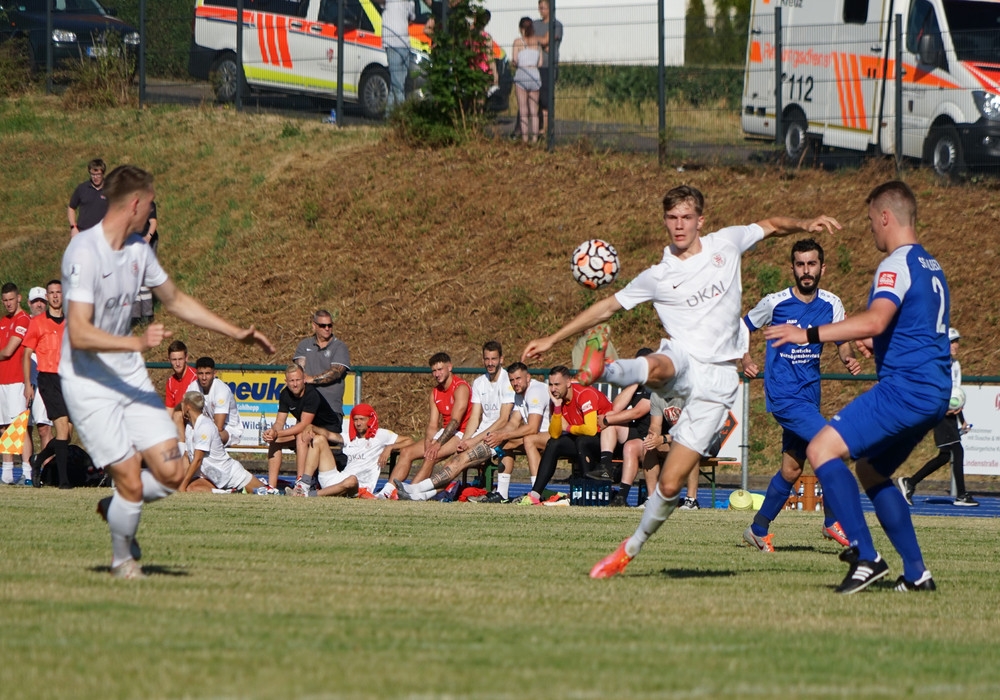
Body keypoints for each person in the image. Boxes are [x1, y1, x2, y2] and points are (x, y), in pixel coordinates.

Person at [520, 184, 840, 577]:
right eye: (672, 217)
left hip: (718, 381)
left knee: (670, 486)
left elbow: (772, 224)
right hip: (683, 358)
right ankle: (604, 369)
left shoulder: (726, 244)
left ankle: (630, 548)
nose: (679, 225)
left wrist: (805, 222)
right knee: (663, 362)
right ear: (665, 221)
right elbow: (607, 306)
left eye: (686, 217)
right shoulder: (659, 275)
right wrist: (553, 338)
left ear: (700, 221)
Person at [62, 164, 273, 579]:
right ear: (134, 204)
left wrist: (235, 332)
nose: (152, 212)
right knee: (131, 479)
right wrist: (136, 343)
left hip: (127, 373)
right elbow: (80, 332)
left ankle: (118, 506)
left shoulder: (139, 250)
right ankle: (123, 560)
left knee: (173, 472)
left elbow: (175, 299)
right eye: (150, 204)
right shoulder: (83, 251)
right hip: (88, 381)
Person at [764, 180, 949, 594]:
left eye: (869, 221)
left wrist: (807, 334)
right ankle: (917, 574)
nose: (870, 229)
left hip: (906, 389)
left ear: (885, 217)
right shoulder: (930, 265)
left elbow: (876, 319)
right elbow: (910, 329)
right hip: (934, 391)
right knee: (870, 469)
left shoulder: (895, 264)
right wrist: (876, 342)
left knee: (821, 449)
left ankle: (867, 556)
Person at [739, 239, 861, 552]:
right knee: (831, 446)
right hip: (783, 395)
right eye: (800, 264)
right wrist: (746, 358)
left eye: (811, 264)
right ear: (792, 267)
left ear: (822, 267)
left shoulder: (831, 304)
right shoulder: (775, 302)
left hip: (809, 396)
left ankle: (757, 528)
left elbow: (842, 339)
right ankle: (833, 521)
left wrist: (847, 357)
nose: (806, 270)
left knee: (792, 469)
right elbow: (743, 326)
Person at [896, 327, 977, 507]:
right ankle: (961, 495)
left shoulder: (955, 365)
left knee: (945, 455)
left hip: (948, 413)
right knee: (957, 451)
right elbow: (928, 390)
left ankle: (910, 482)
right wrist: (940, 409)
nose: (956, 345)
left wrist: (961, 418)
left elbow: (955, 395)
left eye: (956, 341)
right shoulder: (936, 365)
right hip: (939, 412)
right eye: (952, 342)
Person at [513, 365, 613, 506]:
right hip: (581, 438)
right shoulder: (557, 400)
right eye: (551, 385)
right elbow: (554, 434)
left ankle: (586, 491)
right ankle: (535, 494)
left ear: (568, 382)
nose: (553, 389)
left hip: (606, 441)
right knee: (554, 443)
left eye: (557, 384)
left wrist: (569, 428)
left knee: (582, 441)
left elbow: (591, 430)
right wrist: (557, 407)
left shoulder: (584, 394)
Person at [378, 352, 470, 499]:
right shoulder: (435, 392)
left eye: (440, 369)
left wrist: (437, 444)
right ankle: (386, 492)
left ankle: (410, 493)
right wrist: (428, 442)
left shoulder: (460, 388)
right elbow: (433, 424)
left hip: (462, 433)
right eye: (434, 371)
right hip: (445, 431)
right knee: (407, 452)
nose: (437, 374)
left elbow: (455, 422)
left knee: (431, 456)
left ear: (449, 367)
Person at [296, 403, 413, 498]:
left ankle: (310, 495)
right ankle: (304, 484)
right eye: (355, 420)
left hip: (358, 485)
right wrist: (312, 427)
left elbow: (409, 441)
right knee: (319, 439)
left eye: (362, 419)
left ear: (370, 419)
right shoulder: (349, 437)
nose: (358, 423)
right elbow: (328, 434)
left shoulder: (381, 435)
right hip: (337, 479)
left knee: (351, 480)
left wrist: (389, 447)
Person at [263, 364, 344, 493]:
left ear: (304, 379)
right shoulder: (284, 394)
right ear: (286, 381)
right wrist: (273, 432)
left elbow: (303, 425)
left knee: (301, 435)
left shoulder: (311, 394)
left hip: (329, 431)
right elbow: (279, 422)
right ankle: (271, 488)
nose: (295, 384)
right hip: (309, 429)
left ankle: (301, 483)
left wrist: (278, 433)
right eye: (291, 381)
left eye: (298, 380)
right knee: (275, 441)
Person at [22, 280, 71, 489]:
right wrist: (27, 383)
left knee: (67, 433)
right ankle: (64, 481)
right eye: (52, 292)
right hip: (49, 378)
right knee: (61, 428)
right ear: (48, 296)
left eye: (58, 292)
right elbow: (26, 354)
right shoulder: (38, 322)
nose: (55, 296)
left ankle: (38, 460)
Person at [481, 361, 551, 501]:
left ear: (528, 377)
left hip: (553, 436)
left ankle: (537, 493)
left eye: (518, 378)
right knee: (504, 443)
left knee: (529, 439)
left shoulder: (535, 391)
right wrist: (498, 435)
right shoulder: (518, 394)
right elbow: (513, 423)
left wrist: (503, 435)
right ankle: (502, 494)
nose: (515, 383)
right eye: (512, 380)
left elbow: (532, 427)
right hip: (537, 436)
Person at [178, 392, 267, 493]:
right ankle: (228, 493)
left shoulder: (204, 426)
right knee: (192, 488)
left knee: (265, 492)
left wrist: (182, 487)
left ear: (187, 406)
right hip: (212, 478)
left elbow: (197, 459)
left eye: (182, 403)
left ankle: (235, 490)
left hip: (230, 475)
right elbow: (186, 456)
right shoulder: (189, 427)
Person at [589, 348, 654, 483]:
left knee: (609, 419)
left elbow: (637, 412)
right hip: (636, 431)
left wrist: (606, 419)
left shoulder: (655, 386)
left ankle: (621, 488)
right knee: (610, 416)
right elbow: (616, 407)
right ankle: (605, 467)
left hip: (651, 435)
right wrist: (635, 383)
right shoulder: (636, 384)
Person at [293, 309, 350, 442]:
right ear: (314, 326)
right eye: (323, 325)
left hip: (331, 408)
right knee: (301, 442)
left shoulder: (339, 346)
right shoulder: (304, 345)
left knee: (327, 445)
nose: (327, 328)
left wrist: (311, 379)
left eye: (330, 325)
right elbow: (299, 370)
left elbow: (336, 372)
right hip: (307, 408)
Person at [0, 282, 30, 485]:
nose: (9, 303)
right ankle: (7, 473)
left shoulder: (23, 319)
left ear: (19, 298)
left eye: (11, 299)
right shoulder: (3, 321)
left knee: (19, 426)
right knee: (4, 427)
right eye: (5, 300)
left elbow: (9, 350)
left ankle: (27, 472)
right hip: (2, 380)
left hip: (16, 380)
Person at [24, 286, 53, 483]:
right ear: (29, 303)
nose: (39, 305)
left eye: (42, 301)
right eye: (35, 302)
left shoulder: (52, 323)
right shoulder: (24, 323)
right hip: (25, 380)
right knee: (24, 427)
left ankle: (47, 472)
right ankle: (27, 472)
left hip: (44, 380)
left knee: (44, 427)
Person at [183, 357, 243, 448]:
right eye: (200, 373)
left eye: (207, 373)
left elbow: (218, 427)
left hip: (228, 430)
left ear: (214, 373)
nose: (204, 378)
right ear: (196, 373)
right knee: (178, 416)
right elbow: (184, 411)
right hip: (203, 427)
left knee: (212, 435)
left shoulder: (221, 390)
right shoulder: (193, 386)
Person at [381, 0, 415, 117]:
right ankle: (404, 115)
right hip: (392, 43)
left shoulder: (410, 2)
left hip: (405, 44)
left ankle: (388, 116)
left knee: (396, 83)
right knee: (398, 85)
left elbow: (411, 17)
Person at [533, 0, 562, 137]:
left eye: (543, 8)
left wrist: (537, 40)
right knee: (536, 98)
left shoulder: (556, 25)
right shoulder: (535, 24)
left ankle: (547, 129)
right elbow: (530, 39)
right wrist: (542, 42)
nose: (540, 10)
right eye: (539, 8)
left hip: (548, 66)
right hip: (535, 65)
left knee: (546, 99)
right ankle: (538, 129)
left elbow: (546, 41)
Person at [511, 17, 542, 144]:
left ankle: (524, 138)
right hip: (534, 74)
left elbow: (515, 60)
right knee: (534, 111)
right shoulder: (537, 43)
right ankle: (534, 138)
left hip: (522, 74)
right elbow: (540, 63)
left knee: (523, 110)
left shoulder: (518, 42)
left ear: (521, 28)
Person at [130, 200, 158, 327]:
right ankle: (135, 314)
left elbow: (153, 222)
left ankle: (147, 313)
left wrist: (148, 237)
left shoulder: (149, 204)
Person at [68, 158, 108, 237]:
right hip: (83, 232)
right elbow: (71, 208)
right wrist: (73, 227)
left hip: (103, 233)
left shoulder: (110, 189)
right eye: (93, 174)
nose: (95, 177)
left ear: (103, 174)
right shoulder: (82, 188)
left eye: (98, 174)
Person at [164, 340, 196, 413]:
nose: (177, 363)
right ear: (169, 360)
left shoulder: (196, 377)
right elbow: (169, 410)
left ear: (186, 358)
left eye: (180, 359)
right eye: (174, 360)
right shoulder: (170, 382)